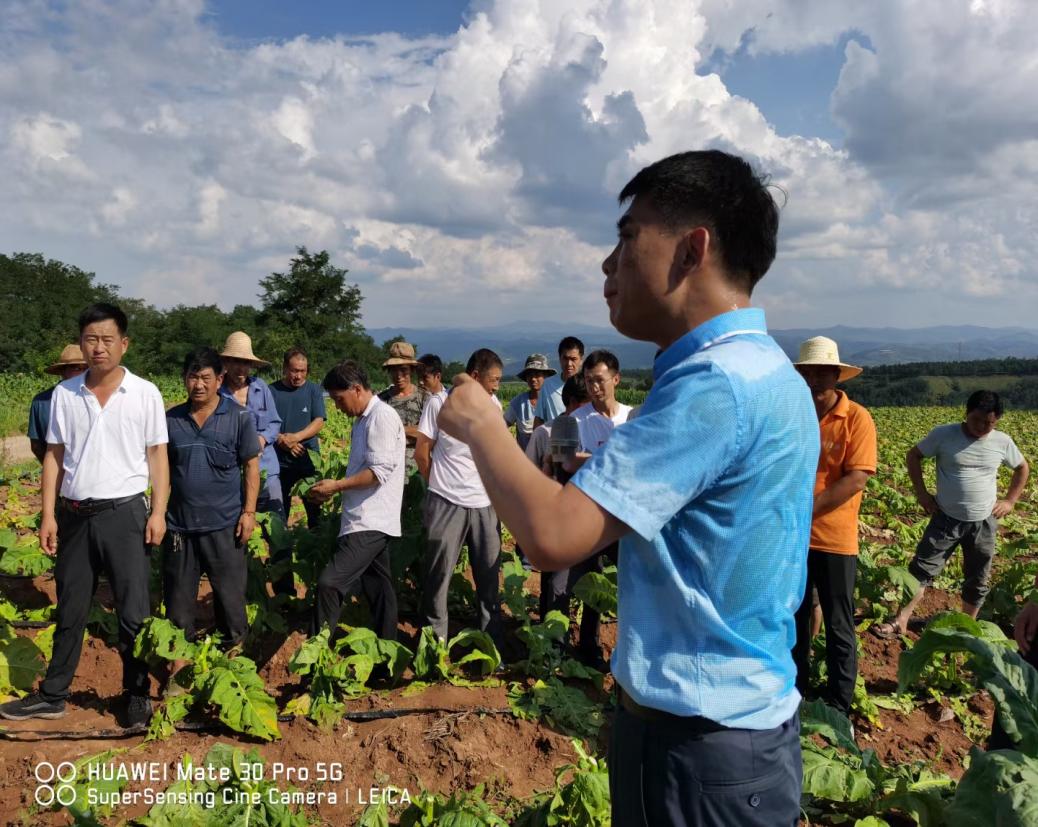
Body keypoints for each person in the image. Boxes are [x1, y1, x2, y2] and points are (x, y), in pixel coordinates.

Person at [437, 150, 816, 826]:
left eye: (627, 236)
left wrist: (479, 422)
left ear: (693, 248)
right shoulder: (769, 371)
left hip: (698, 747)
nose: (609, 265)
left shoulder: (711, 385)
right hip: (741, 733)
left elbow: (553, 536)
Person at [0, 303, 170, 726]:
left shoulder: (145, 392)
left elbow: (157, 457)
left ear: (123, 344)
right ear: (81, 344)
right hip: (74, 514)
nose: (98, 348)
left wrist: (159, 511)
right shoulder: (65, 394)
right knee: (70, 607)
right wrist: (48, 515)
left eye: (107, 339)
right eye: (90, 339)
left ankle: (135, 694)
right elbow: (54, 458)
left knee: (132, 611)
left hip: (125, 514)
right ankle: (54, 694)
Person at [873, 391, 1029, 638]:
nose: (982, 427)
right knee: (922, 570)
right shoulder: (943, 434)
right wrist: (922, 494)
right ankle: (900, 620)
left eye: (989, 423)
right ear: (966, 414)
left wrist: (1010, 501)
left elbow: (1022, 467)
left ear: (997, 420)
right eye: (977, 420)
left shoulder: (1002, 441)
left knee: (978, 577)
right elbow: (914, 455)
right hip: (946, 518)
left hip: (984, 522)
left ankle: (967, 628)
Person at [791, 337, 877, 716]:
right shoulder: (795, 415)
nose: (814, 377)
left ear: (836, 374)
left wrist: (803, 511)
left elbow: (856, 478)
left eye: (822, 370)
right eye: (808, 370)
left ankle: (839, 705)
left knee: (839, 624)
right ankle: (796, 691)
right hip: (793, 539)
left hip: (835, 540)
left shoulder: (856, 418)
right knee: (795, 618)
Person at [163, 347, 260, 648]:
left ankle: (232, 661)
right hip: (180, 527)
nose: (198, 385)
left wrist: (249, 513)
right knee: (178, 605)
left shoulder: (239, 418)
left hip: (225, 525)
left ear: (220, 379)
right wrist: (156, 513)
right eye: (193, 377)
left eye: (205, 378)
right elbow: (161, 471)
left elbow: (251, 467)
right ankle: (179, 667)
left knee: (231, 601)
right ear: (184, 379)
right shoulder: (171, 420)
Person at [307, 361, 405, 641]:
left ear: (357, 389)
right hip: (365, 518)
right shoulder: (364, 420)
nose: (338, 407)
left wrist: (336, 486)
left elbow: (379, 472)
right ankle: (388, 657)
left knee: (329, 583)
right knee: (380, 591)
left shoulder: (381, 418)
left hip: (370, 521)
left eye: (339, 399)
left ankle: (314, 659)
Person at [415, 349, 504, 645]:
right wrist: (438, 487)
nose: (497, 386)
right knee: (438, 577)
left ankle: (490, 645)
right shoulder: (439, 403)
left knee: (489, 578)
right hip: (446, 502)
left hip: (484, 505)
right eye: (494, 380)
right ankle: (434, 645)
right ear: (475, 377)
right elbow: (422, 452)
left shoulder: (494, 406)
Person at [564, 349, 632, 667]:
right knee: (591, 585)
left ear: (616, 379)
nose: (594, 387)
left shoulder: (631, 418)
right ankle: (588, 647)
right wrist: (611, 459)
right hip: (590, 515)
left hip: (625, 516)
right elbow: (565, 461)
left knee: (631, 583)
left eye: (600, 380)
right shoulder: (577, 420)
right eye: (589, 381)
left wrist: (590, 460)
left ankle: (630, 648)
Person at [530, 375, 590, 624]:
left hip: (584, 521)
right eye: (587, 404)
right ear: (575, 403)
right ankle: (551, 640)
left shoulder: (592, 428)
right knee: (555, 583)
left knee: (585, 582)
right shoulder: (545, 433)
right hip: (555, 519)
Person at [271, 347, 327, 528]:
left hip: (308, 458)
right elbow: (263, 423)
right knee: (279, 511)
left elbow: (318, 421)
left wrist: (295, 437)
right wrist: (281, 439)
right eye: (294, 370)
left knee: (314, 509)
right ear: (285, 369)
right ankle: (281, 553)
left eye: (302, 371)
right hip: (280, 462)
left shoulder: (313, 390)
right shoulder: (272, 391)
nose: (298, 375)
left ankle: (315, 548)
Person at [27, 345, 88, 463]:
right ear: (62, 371)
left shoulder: (98, 398)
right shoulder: (41, 401)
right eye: (76, 368)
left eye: (86, 368)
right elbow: (36, 446)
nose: (82, 373)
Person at [379, 342, 429, 473]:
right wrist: (412, 431)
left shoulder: (425, 398)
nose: (398, 375)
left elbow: (429, 434)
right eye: (394, 370)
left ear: (412, 370)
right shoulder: (381, 400)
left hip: (417, 470)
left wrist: (396, 429)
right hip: (388, 469)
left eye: (404, 370)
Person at [505, 354, 555, 453]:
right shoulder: (518, 403)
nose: (533, 379)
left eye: (537, 375)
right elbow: (502, 425)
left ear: (545, 376)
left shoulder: (555, 401)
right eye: (530, 375)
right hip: (525, 462)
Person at [532, 337, 585, 428]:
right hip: (554, 440)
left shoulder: (587, 385)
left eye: (573, 359)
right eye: (565, 358)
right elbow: (539, 419)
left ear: (581, 360)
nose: (569, 364)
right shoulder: (548, 385)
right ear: (560, 358)